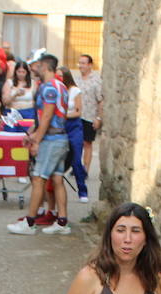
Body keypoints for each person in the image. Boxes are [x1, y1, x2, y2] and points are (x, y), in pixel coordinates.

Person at [7, 53, 71, 235]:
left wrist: (36, 139)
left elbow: (47, 116)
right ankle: (62, 221)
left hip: (51, 140)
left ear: (45, 67)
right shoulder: (61, 86)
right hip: (60, 138)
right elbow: (45, 116)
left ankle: (29, 221)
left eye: (38, 66)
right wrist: (32, 133)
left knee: (38, 179)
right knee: (57, 179)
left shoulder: (49, 88)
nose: (34, 69)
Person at [60, 66, 89, 201]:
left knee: (76, 159)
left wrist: (64, 115)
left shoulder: (75, 91)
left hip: (74, 127)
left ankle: (82, 191)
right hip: (60, 127)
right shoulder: (57, 90)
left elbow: (78, 111)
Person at [76, 54, 103, 173]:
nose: (80, 66)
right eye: (79, 63)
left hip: (89, 116)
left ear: (90, 65)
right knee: (77, 143)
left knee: (87, 143)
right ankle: (77, 166)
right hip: (77, 116)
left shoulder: (96, 81)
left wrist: (99, 118)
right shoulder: (77, 80)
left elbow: (101, 100)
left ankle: (85, 169)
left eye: (83, 63)